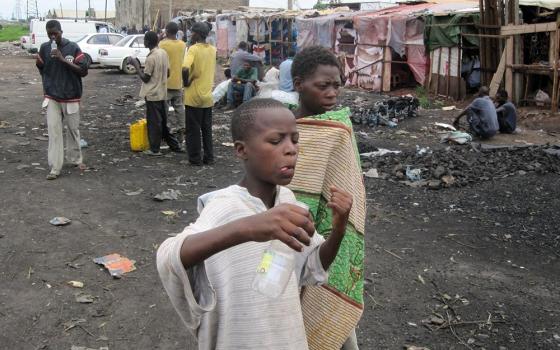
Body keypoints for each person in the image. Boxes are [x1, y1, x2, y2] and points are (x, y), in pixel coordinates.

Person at [156, 98, 353, 349]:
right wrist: (247, 228)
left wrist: (338, 229)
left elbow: (312, 265)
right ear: (241, 150)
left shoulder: (288, 202)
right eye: (276, 140)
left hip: (286, 337)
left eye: (294, 139)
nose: (291, 149)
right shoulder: (226, 205)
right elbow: (168, 257)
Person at [290, 46, 366, 350]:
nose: (333, 92)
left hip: (335, 233)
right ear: (298, 85)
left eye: (337, 85)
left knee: (330, 306)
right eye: (323, 86)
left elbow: (350, 181)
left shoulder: (339, 129)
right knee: (295, 311)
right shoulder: (284, 130)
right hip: (294, 238)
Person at [36, 20, 89, 180]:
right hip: (52, 96)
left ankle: (75, 158)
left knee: (73, 130)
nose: (52, 37)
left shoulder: (73, 48)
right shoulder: (45, 48)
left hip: (71, 96)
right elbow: (41, 68)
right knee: (54, 132)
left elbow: (83, 71)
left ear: (61, 32)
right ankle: (55, 167)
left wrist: (62, 59)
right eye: (49, 34)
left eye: (55, 33)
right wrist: (46, 76)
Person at [128, 31, 181, 155]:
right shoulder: (163, 53)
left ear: (147, 42)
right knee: (163, 122)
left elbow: (145, 78)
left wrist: (136, 65)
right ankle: (175, 146)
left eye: (144, 40)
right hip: (162, 93)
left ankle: (155, 149)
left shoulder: (151, 57)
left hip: (152, 95)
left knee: (154, 124)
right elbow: (167, 73)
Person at [182, 22, 216, 165]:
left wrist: (186, 83)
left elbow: (184, 68)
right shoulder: (213, 50)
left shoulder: (193, 49)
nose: (190, 35)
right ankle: (209, 157)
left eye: (192, 32)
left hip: (193, 97)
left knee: (193, 130)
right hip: (207, 97)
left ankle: (195, 159)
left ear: (197, 34)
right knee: (206, 129)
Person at [159, 21, 187, 144]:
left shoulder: (162, 44)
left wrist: (160, 38)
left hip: (164, 83)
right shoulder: (182, 44)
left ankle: (163, 134)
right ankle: (181, 133)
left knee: (163, 111)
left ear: (166, 31)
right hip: (178, 82)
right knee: (179, 109)